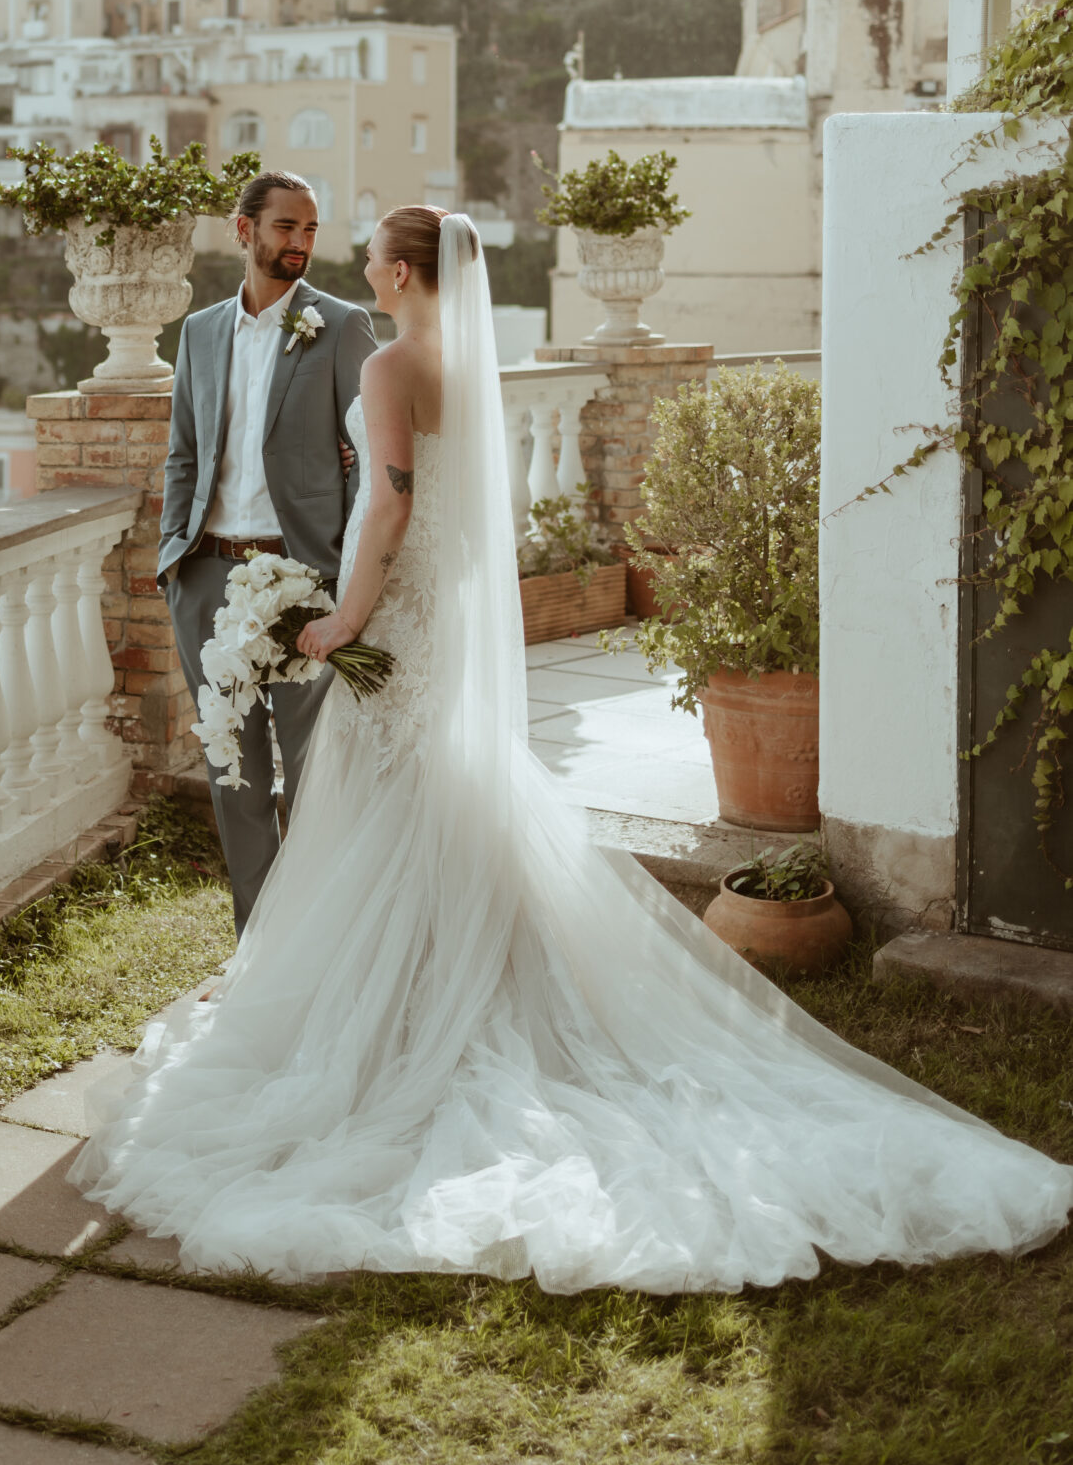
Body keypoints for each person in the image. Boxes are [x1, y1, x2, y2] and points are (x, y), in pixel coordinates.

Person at [72, 206, 1073, 1291]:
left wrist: (343, 618)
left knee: (397, 808)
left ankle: (405, 1013)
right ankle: (436, 978)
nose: (359, 264)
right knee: (447, 803)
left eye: (370, 254)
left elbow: (390, 510)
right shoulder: (460, 365)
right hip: (440, 621)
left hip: (397, 616)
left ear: (403, 273)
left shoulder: (392, 366)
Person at [157, 167, 375, 933]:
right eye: (287, 227)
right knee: (233, 773)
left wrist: (344, 580)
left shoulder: (342, 325)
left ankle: (318, 943)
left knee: (315, 773)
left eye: (311, 229)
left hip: (301, 579)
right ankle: (259, 949)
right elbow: (183, 453)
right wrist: (172, 558)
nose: (301, 244)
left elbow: (372, 460)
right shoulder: (200, 331)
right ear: (243, 230)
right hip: (207, 577)